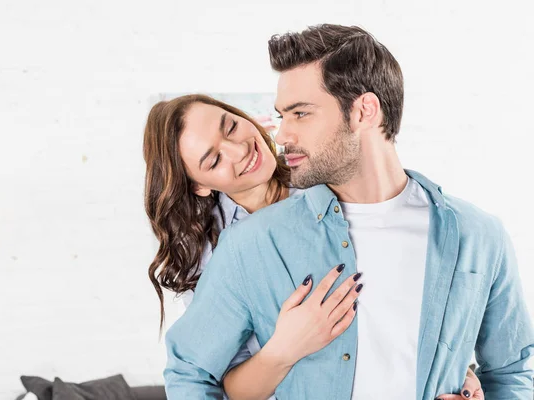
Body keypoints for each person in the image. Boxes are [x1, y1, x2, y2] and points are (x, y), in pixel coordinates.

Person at [157, 24, 534, 399]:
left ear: (363, 111)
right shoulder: (247, 245)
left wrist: (465, 376)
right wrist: (282, 351)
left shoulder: (478, 234)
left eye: (300, 114)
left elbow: (512, 372)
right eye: (283, 116)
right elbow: (192, 374)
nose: (281, 135)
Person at [144, 93, 483, 399]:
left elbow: (398, 297)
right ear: (200, 186)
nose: (239, 149)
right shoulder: (216, 254)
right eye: (214, 160)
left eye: (231, 126)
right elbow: (218, 383)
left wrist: (458, 371)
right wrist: (286, 347)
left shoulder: (329, 180)